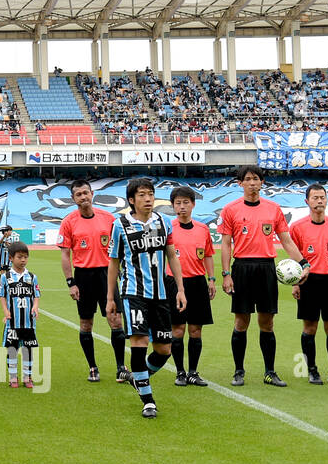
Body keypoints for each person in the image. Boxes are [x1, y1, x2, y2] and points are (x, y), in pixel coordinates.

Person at [105, 177, 186, 418]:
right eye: (141, 195)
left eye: (150, 194)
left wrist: (180, 289)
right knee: (139, 345)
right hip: (133, 294)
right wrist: (111, 298)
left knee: (164, 350)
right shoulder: (120, 225)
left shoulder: (164, 222)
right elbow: (113, 263)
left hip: (161, 295)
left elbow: (172, 256)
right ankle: (148, 400)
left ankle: (139, 378)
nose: (148, 198)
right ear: (131, 200)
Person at [218, 165, 306, 386]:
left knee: (267, 323)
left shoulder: (273, 208)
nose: (252, 183)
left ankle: (270, 372)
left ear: (262, 182)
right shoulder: (230, 209)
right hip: (242, 268)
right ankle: (238, 371)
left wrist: (304, 263)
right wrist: (226, 274)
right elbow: (226, 244)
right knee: (241, 322)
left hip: (267, 267)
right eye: (247, 179)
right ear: (240, 184)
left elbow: (286, 240)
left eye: (256, 179)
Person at [58, 178, 123, 383]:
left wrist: (121, 270)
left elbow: (119, 248)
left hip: (107, 275)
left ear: (92, 194)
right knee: (86, 324)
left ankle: (121, 367)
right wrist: (71, 282)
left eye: (86, 192)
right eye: (79, 194)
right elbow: (65, 255)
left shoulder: (108, 218)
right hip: (83, 276)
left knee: (115, 320)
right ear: (73, 198)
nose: (83, 197)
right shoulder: (69, 222)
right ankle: (93, 367)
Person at [289, 183, 328, 385]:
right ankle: (312, 370)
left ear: (327, 200)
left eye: (322, 197)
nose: (319, 201)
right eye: (315, 198)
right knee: (310, 328)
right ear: (307, 201)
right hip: (309, 281)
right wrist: (296, 283)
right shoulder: (297, 228)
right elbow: (294, 258)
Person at [165, 186, 215, 386]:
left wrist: (211, 279)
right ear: (173, 206)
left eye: (186, 202)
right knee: (178, 330)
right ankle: (180, 372)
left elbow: (209, 255)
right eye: (178, 203)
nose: (182, 207)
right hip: (175, 283)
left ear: (193, 204)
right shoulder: (168, 228)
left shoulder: (202, 229)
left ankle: (193, 372)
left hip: (197, 283)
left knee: (196, 330)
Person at [0, 242, 40, 389]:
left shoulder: (32, 277)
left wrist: (35, 307)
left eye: (25, 257)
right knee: (12, 349)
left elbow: (36, 295)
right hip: (12, 323)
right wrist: (5, 311)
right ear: (11, 258)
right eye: (20, 257)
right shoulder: (6, 277)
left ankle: (28, 377)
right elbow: (2, 295)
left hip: (28, 323)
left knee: (28, 350)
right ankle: (13, 377)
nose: (23, 260)